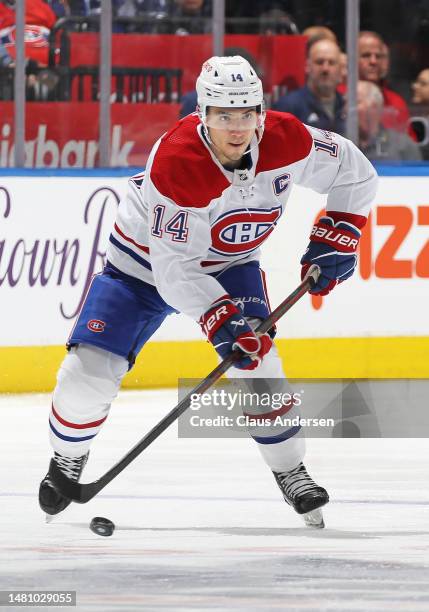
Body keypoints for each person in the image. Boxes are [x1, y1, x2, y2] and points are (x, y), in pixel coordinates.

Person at [39, 55, 377, 528]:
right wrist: (221, 319)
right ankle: (67, 458)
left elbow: (355, 172)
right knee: (89, 373)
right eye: (223, 115)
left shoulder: (288, 138)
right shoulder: (178, 162)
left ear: (261, 110)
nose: (237, 128)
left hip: (232, 264)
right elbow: (173, 270)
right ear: (203, 113)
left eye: (247, 113)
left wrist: (339, 230)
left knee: (261, 365)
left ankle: (291, 470)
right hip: (140, 268)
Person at [273, 37, 345, 134]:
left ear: (341, 69)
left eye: (331, 63)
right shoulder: (288, 107)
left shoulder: (347, 106)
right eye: (319, 62)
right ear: (307, 66)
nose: (325, 69)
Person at [357, 80, 422, 161]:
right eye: (346, 102)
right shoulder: (341, 144)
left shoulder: (402, 145)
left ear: (373, 107)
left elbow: (417, 173)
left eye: (356, 102)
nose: (346, 109)